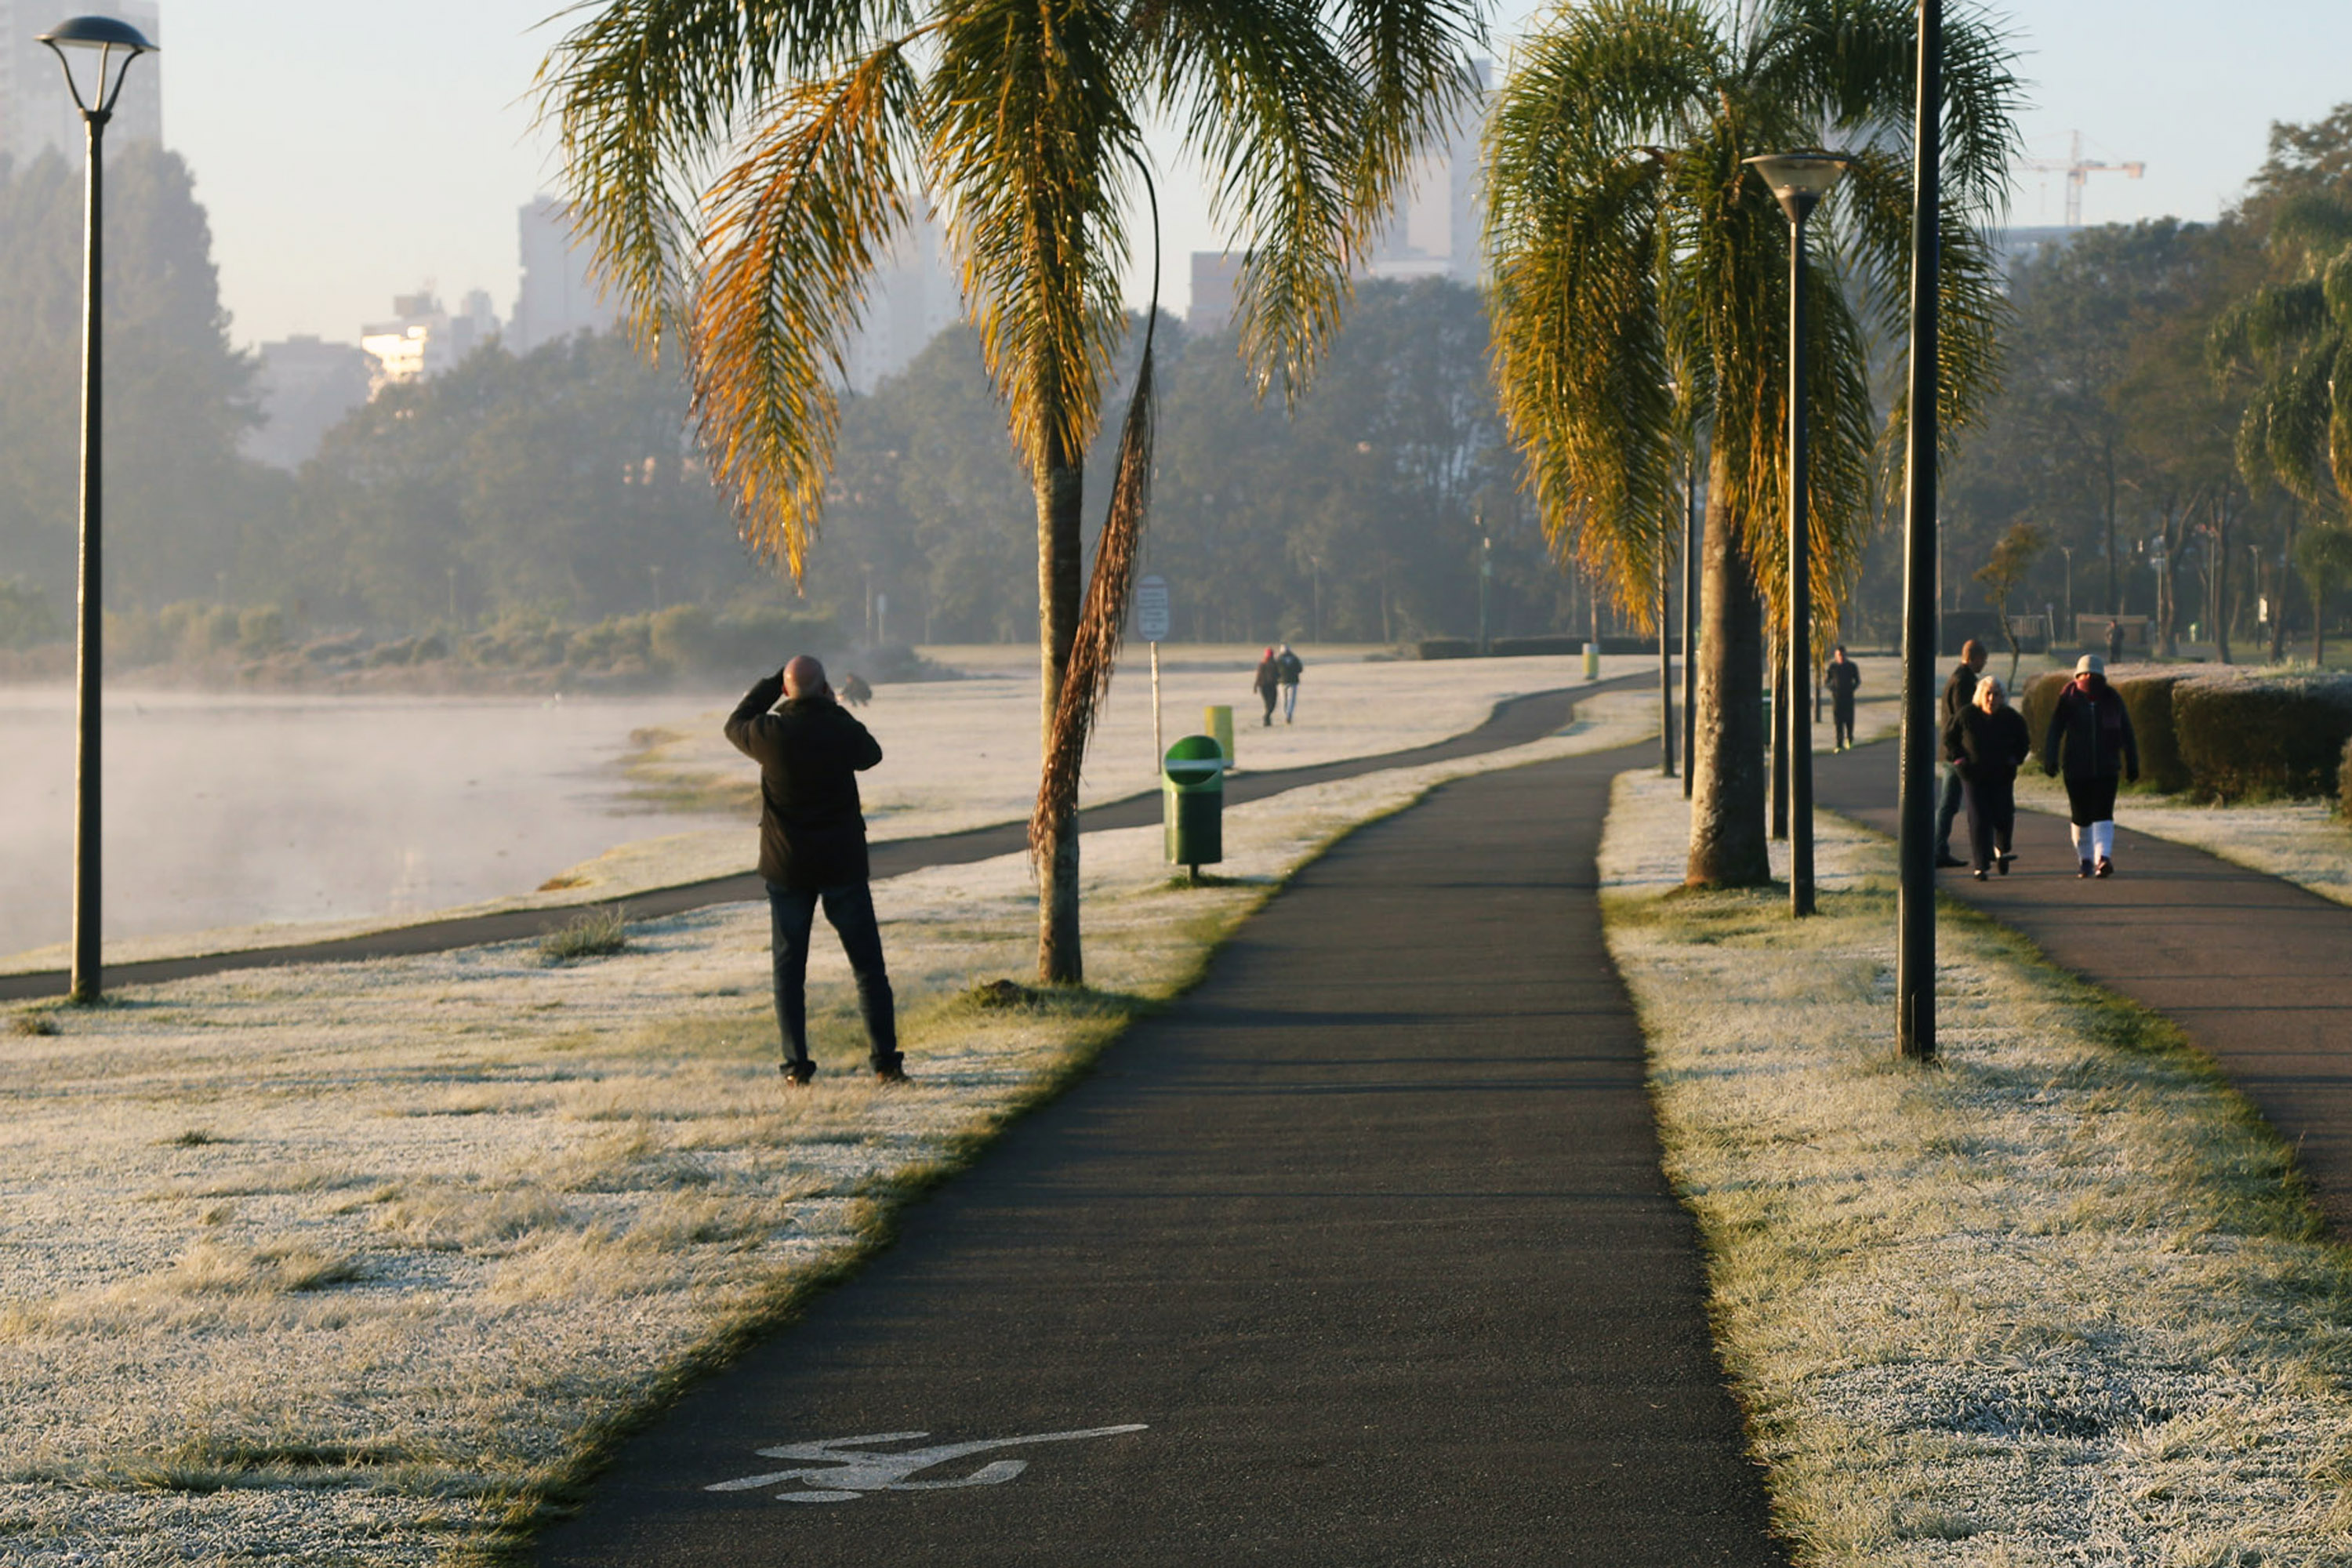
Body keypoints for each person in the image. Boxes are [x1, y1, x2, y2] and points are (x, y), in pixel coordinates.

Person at [724, 655, 905, 1084]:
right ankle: (885, 1064)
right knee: (868, 969)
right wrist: (831, 706)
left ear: (787, 691)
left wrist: (773, 684)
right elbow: (871, 754)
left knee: (789, 971)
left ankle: (796, 1069)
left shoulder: (769, 734)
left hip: (787, 867)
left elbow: (737, 721)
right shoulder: (839, 729)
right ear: (825, 689)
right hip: (842, 863)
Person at [2043, 652, 2139, 878]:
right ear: (2077, 675)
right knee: (2081, 817)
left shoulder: (2112, 699)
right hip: (2076, 768)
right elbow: (2055, 730)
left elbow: (2127, 731)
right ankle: (2085, 860)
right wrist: (2051, 758)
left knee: (2104, 814)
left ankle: (2103, 858)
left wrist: (2132, 762)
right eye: (2085, 674)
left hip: (2107, 766)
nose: (2089, 678)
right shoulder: (2068, 699)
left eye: (2094, 674)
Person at [1944, 674, 2031, 880]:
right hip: (1973, 775)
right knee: (1978, 817)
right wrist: (1959, 759)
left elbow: (2023, 742)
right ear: (1980, 695)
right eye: (1988, 694)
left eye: (1997, 694)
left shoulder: (2011, 717)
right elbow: (1950, 738)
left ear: (2003, 697)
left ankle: (2002, 850)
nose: (1992, 699)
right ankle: (1980, 865)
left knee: (2003, 813)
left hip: (2002, 774)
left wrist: (2015, 759)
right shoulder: (1967, 715)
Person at [1933, 639, 1988, 868]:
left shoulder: (1956, 677)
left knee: (1950, 802)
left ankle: (1939, 848)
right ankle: (1938, 848)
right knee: (1951, 802)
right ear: (1974, 657)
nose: (1983, 665)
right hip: (1958, 752)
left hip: (1951, 750)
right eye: (1982, 660)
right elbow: (1964, 718)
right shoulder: (1964, 682)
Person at [1826, 645, 1861, 751]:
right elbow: (1827, 681)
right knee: (1838, 722)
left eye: (1842, 654)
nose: (1841, 657)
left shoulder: (1852, 666)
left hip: (1849, 698)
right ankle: (1838, 744)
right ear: (1836, 656)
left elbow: (1858, 681)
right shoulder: (1833, 667)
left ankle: (1849, 739)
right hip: (1837, 699)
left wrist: (1852, 689)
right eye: (1839, 655)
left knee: (1849, 720)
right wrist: (1833, 689)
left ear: (1846, 655)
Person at [1275, 643, 1304, 724]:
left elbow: (1275, 670)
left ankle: (1286, 715)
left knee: (1284, 700)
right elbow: (1300, 669)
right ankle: (1289, 715)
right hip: (1293, 682)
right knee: (1291, 700)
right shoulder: (1295, 659)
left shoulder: (1278, 659)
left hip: (1281, 682)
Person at [1251, 647, 1281, 727]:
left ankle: (1267, 719)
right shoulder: (1274, 664)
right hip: (1270, 686)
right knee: (1272, 704)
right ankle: (1267, 718)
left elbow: (1258, 676)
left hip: (1263, 687)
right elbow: (1278, 674)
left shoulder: (1262, 664)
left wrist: (1255, 687)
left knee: (1268, 704)